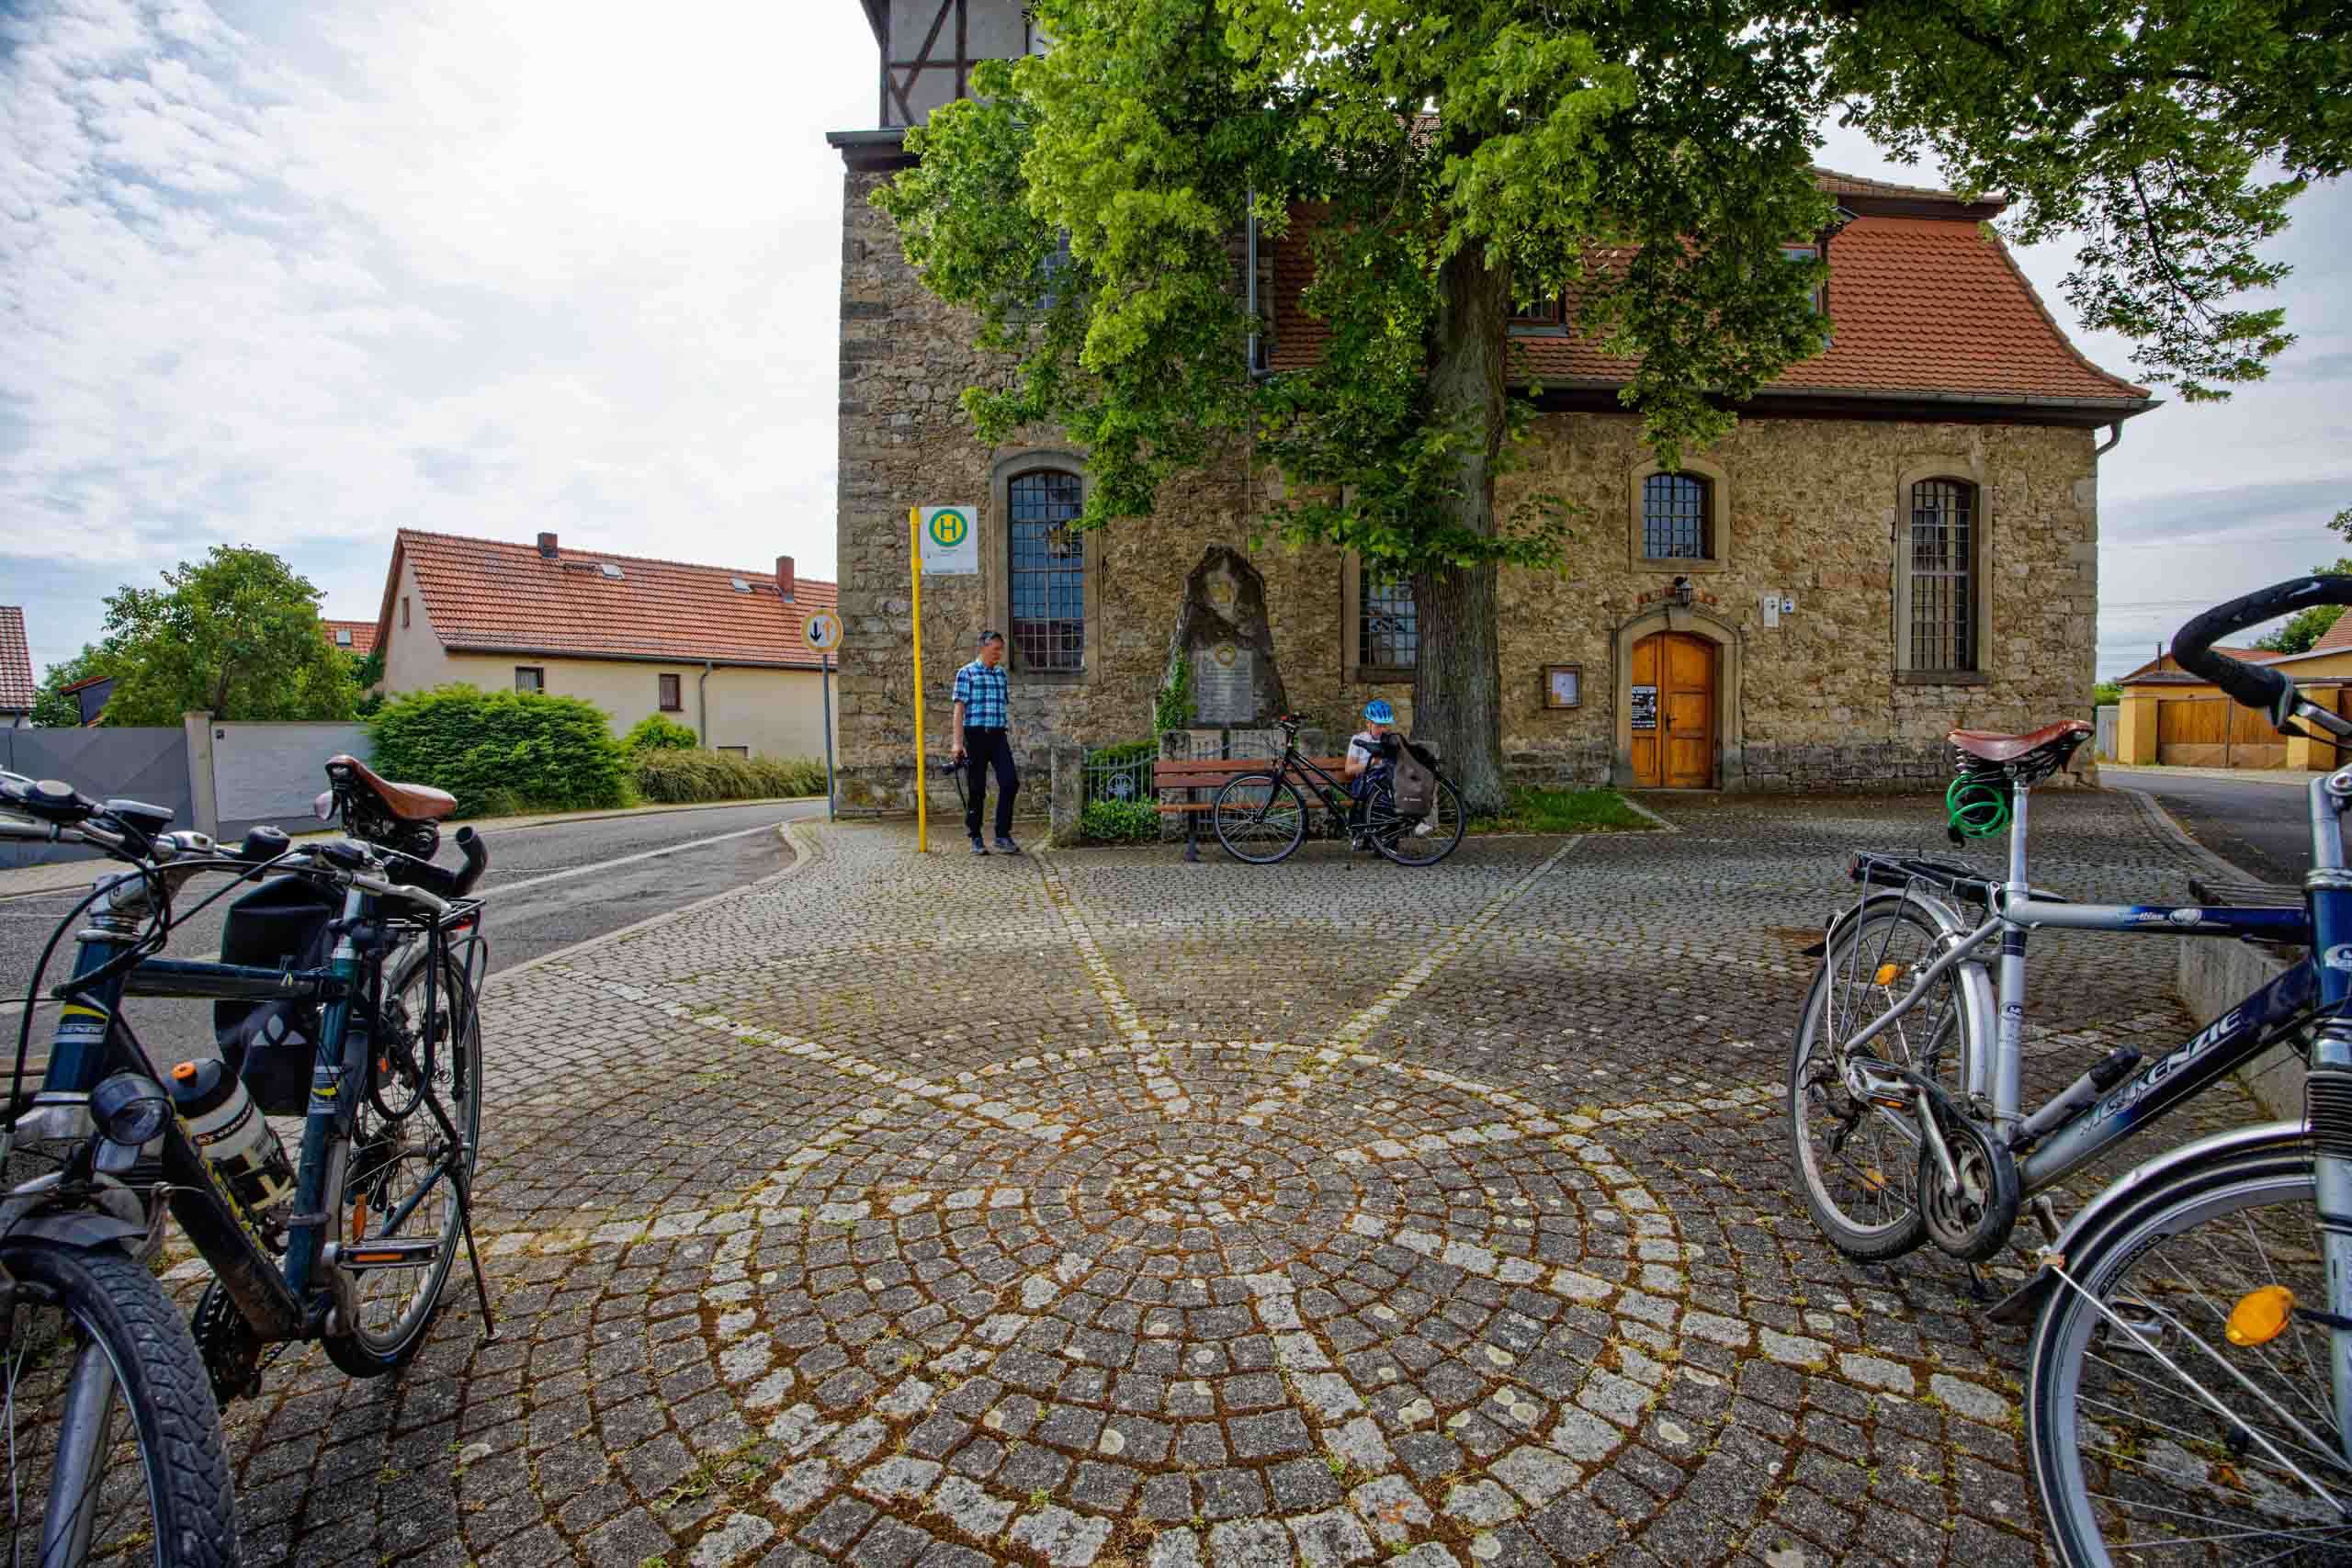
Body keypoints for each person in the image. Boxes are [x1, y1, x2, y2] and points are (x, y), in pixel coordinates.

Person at [950, 630, 1019, 855]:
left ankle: (1002, 835)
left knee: (1010, 782)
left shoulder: (1001, 675)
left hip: (998, 736)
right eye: (996, 649)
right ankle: (976, 836)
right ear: (983, 647)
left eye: (1001, 649)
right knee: (977, 788)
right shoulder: (966, 673)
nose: (999, 653)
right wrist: (957, 744)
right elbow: (959, 711)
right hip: (975, 736)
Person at [1342, 698, 1399, 849]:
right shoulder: (1358, 740)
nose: (1383, 729)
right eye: (1379, 725)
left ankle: (1387, 842)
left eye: (1385, 725)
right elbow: (1349, 769)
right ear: (1368, 723)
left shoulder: (1390, 740)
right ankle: (1381, 841)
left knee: (1396, 796)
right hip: (1364, 781)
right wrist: (1372, 763)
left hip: (1386, 780)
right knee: (1385, 800)